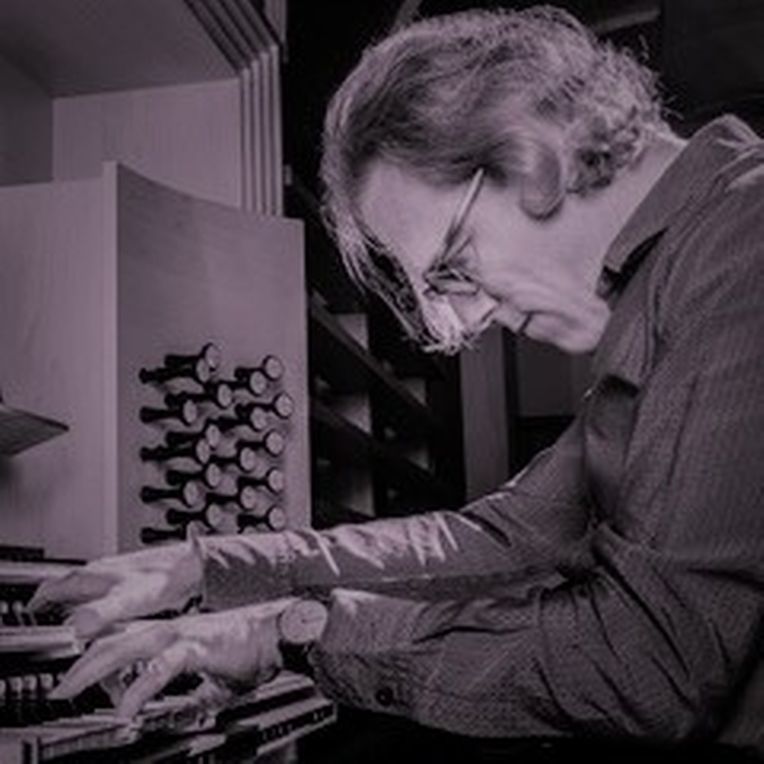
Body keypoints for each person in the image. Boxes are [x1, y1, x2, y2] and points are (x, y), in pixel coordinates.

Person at [30, 6, 763, 759]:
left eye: (453, 266)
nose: (471, 316)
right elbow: (504, 537)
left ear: (532, 153)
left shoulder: (742, 242)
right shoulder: (670, 284)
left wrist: (296, 630)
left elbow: (651, 666)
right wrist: (209, 567)